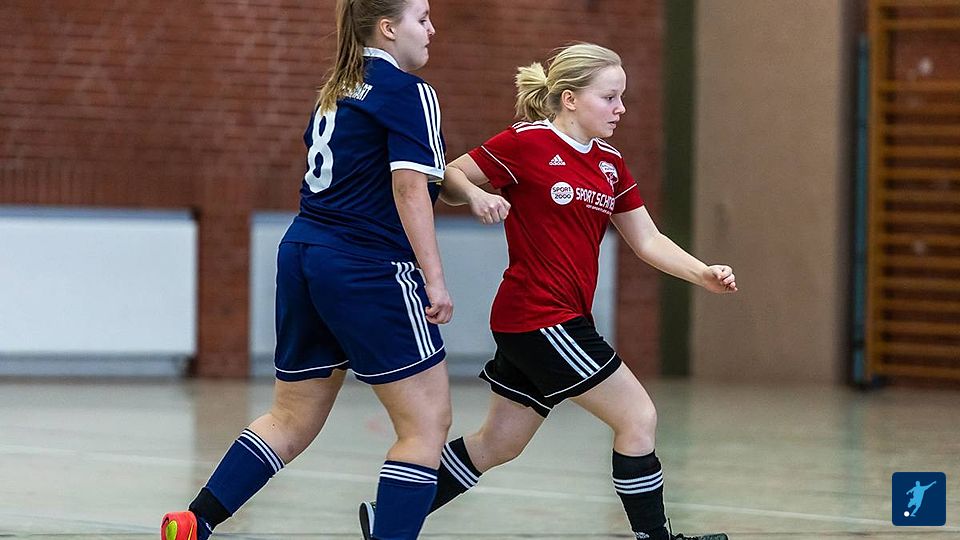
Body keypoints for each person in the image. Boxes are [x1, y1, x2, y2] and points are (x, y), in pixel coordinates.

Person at [360, 43, 736, 540]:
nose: (621, 109)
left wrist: (701, 272)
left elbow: (647, 239)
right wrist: (476, 194)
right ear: (570, 98)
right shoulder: (527, 142)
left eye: (622, 98)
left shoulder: (610, 163)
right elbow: (449, 174)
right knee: (638, 416)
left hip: (550, 321)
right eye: (609, 97)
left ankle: (388, 518)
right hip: (540, 317)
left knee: (499, 443)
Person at [161, 1, 455, 539]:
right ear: (388, 28)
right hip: (368, 264)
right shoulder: (409, 91)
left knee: (291, 418)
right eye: (422, 18)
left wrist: (473, 194)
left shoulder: (337, 88)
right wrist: (433, 277)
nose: (432, 29)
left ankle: (195, 521)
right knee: (426, 424)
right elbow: (410, 187)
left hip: (304, 253)